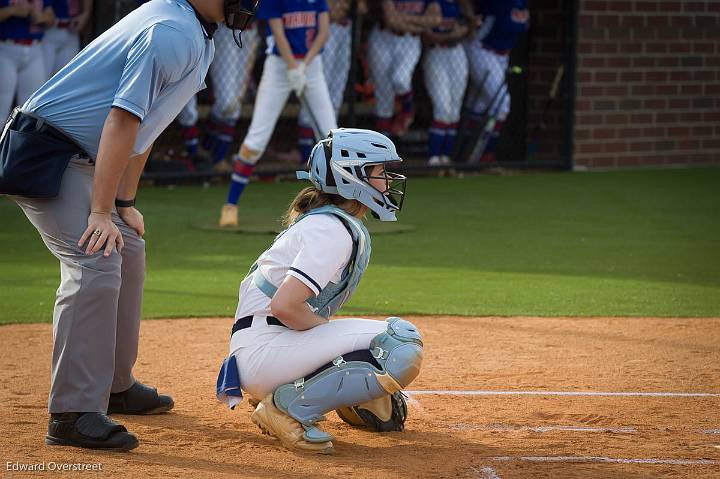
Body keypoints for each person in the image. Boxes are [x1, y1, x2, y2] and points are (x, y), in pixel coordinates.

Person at [0, 0, 257, 451]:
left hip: (81, 157)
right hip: (45, 154)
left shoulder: (197, 34)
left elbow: (145, 129)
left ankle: (115, 385)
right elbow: (123, 118)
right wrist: (101, 212)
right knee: (94, 256)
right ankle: (72, 413)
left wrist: (122, 203)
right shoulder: (172, 32)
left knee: (128, 246)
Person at [215, 128, 421, 454]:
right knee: (400, 343)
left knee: (381, 399)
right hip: (268, 351)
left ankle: (333, 396)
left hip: (267, 349)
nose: (388, 179)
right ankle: (285, 409)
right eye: (380, 172)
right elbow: (285, 306)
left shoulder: (329, 223)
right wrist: (337, 347)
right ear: (352, 177)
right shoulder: (331, 229)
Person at [219, 0, 336, 228]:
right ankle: (230, 205)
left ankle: (342, 204)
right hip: (280, 66)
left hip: (312, 66)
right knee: (257, 139)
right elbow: (278, 32)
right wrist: (293, 67)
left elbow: (324, 32)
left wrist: (304, 66)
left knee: (332, 136)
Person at [174, 22, 260, 172]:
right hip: (227, 27)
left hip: (251, 29)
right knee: (226, 103)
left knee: (234, 105)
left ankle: (216, 157)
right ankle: (200, 155)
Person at [463, 0, 528, 163]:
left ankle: (467, 152)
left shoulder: (522, 3)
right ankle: (484, 154)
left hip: (503, 56)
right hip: (481, 50)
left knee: (480, 104)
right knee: (502, 105)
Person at [367, 0, 441, 138]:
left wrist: (404, 18)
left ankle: (408, 108)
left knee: (400, 79)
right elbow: (391, 20)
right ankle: (383, 150)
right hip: (382, 39)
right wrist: (421, 25)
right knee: (383, 97)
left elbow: (436, 19)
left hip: (410, 41)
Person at [421, 0, 472, 166]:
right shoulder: (432, 4)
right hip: (436, 53)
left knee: (454, 110)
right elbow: (427, 35)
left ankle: (446, 156)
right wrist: (451, 35)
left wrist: (464, 28)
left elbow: (469, 29)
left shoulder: (460, 5)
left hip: (456, 54)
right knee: (442, 107)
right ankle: (434, 156)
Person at [0, 0, 55, 120]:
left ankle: (21, 139)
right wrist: (12, 11)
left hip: (35, 48)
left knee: (32, 109)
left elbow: (51, 18)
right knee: (2, 106)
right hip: (6, 47)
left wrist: (41, 17)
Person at [42, 0, 93, 79]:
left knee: (68, 78)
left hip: (72, 29)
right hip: (47, 30)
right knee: (42, 81)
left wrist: (85, 13)